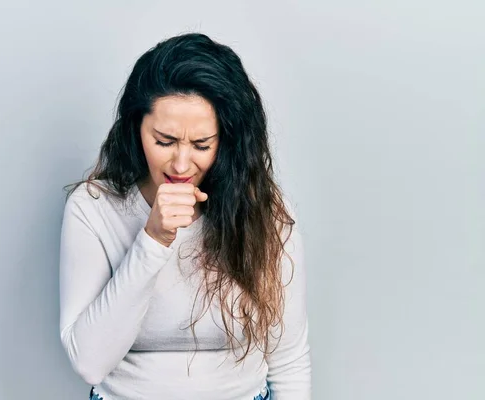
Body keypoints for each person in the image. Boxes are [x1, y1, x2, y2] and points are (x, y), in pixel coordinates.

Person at [58, 32, 311, 400]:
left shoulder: (265, 211)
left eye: (201, 145)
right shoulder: (93, 207)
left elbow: (289, 358)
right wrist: (152, 240)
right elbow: (90, 364)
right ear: (136, 129)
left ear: (226, 141)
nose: (180, 164)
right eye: (163, 142)